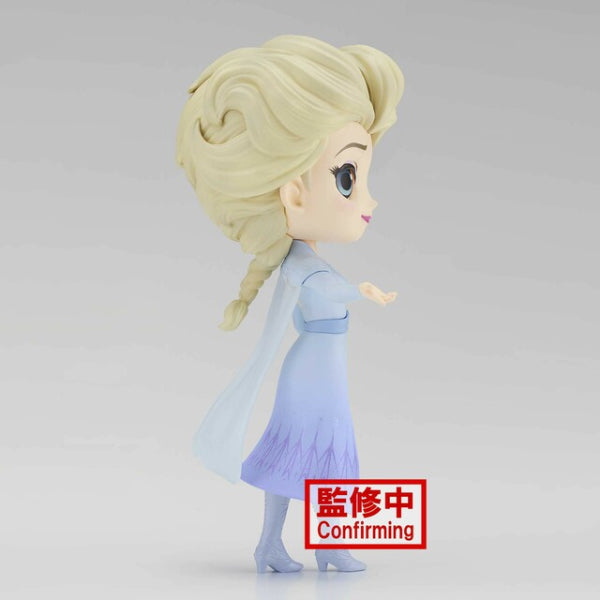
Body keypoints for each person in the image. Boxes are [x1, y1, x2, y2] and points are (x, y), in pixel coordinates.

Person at [176, 34, 404, 572]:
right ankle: (309, 545)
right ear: (293, 194)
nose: (368, 199)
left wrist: (355, 290)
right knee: (316, 454)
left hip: (318, 369)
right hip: (315, 375)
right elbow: (323, 289)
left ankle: (299, 545)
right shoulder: (302, 264)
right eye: (348, 178)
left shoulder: (304, 257)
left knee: (309, 457)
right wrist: (362, 291)